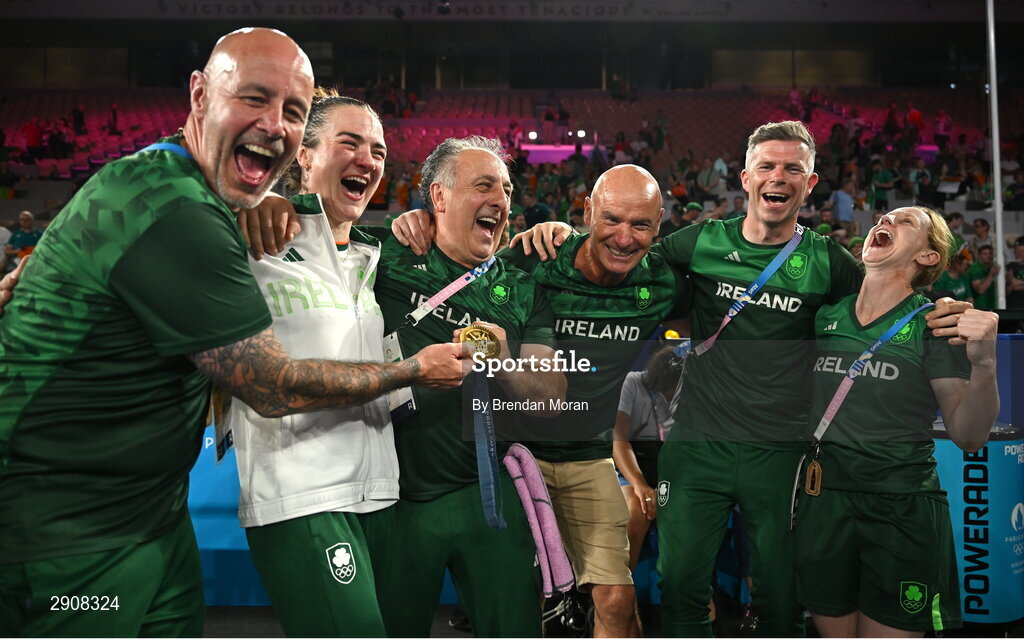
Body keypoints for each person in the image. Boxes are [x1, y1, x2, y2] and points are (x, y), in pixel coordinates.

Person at [0, 28, 469, 638]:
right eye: (253, 98)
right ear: (199, 94)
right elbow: (272, 386)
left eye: (292, 111)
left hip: (153, 514)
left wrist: (270, 200)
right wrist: (412, 370)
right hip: (65, 526)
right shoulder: (185, 212)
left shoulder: (229, 204)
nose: (274, 124)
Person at [511, 120, 969, 637]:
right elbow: (621, 250)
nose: (779, 176)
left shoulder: (830, 261)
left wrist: (945, 306)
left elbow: (892, 289)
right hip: (697, 445)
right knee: (680, 584)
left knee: (778, 593)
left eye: (793, 168)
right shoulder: (700, 242)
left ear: (810, 182)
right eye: (768, 166)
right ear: (747, 177)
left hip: (780, 453)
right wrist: (560, 235)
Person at [392, 163, 693, 637]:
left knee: (617, 598)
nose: (624, 237)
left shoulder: (663, 285)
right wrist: (422, 220)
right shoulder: (534, 258)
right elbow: (465, 256)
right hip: (516, 457)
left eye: (641, 225)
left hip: (589, 460)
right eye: (611, 219)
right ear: (587, 211)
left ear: (659, 227)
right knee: (521, 602)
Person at [228, 89, 421, 637]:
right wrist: (248, 200)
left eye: (379, 151)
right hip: (300, 495)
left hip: (382, 494)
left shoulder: (374, 256)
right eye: (350, 143)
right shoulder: (252, 239)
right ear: (304, 155)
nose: (369, 160)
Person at [362, 136, 566, 638]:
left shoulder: (520, 285)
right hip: (392, 498)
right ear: (438, 197)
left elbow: (552, 396)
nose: (501, 199)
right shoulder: (384, 255)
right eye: (483, 185)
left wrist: (500, 360)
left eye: (507, 189)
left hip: (485, 498)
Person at [796, 206, 999, 636]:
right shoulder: (826, 316)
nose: (883, 223)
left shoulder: (934, 325)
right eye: (881, 219)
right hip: (824, 500)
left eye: (905, 222)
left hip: (900, 507)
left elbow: (968, 436)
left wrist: (984, 365)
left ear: (927, 256)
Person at [613, 343, 686, 570]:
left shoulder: (695, 391)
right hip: (633, 471)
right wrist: (640, 485)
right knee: (635, 509)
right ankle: (624, 591)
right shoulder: (632, 383)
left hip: (676, 475)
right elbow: (619, 441)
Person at [968, 245, 1000, 311]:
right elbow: (980, 290)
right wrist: (991, 274)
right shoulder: (975, 268)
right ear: (979, 256)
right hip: (980, 308)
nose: (989, 256)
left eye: (990, 253)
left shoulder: (993, 266)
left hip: (993, 306)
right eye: (985, 253)